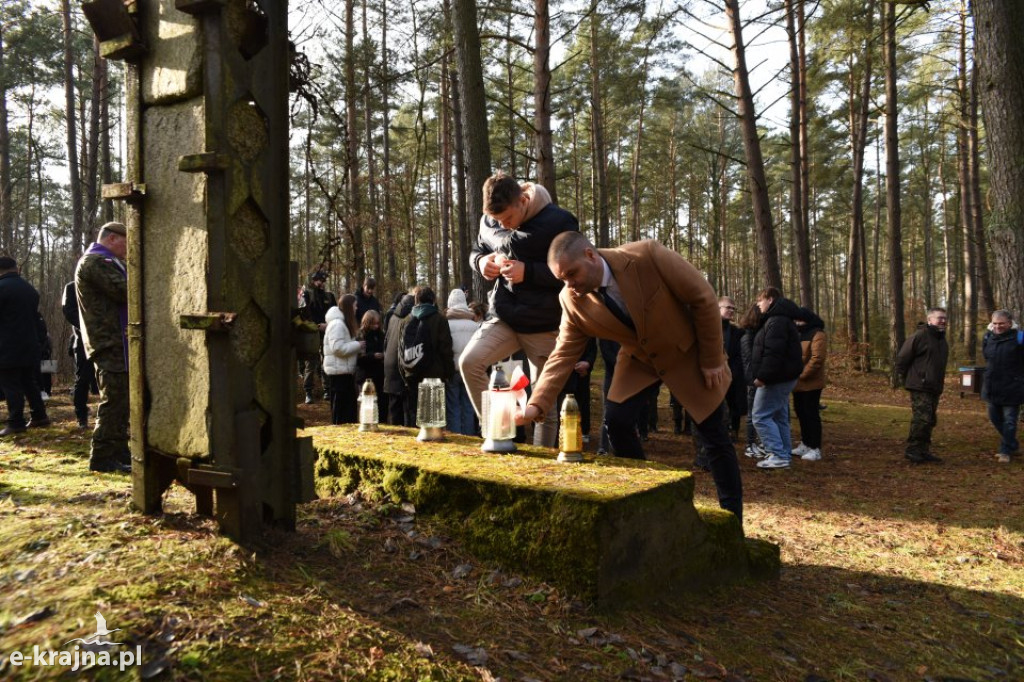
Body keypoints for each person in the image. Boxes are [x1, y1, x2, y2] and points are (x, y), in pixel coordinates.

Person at [519, 232, 744, 525]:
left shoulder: (646, 256)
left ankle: (732, 521)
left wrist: (713, 358)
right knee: (617, 423)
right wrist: (536, 406)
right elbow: (562, 354)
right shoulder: (571, 299)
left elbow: (702, 297)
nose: (569, 284)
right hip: (638, 359)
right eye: (562, 279)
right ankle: (651, 497)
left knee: (713, 436)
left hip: (686, 351)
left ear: (590, 255)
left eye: (571, 274)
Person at [460, 172, 579, 447]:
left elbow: (577, 271)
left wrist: (530, 272)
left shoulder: (560, 221)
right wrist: (480, 262)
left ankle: (542, 471)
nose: (503, 225)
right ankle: (497, 435)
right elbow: (478, 247)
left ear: (523, 200)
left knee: (544, 405)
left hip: (543, 323)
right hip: (504, 316)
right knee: (469, 362)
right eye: (498, 221)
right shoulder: (491, 220)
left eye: (508, 220)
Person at [75, 222, 130, 472]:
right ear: (111, 239)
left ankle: (119, 452)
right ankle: (102, 456)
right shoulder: (96, 261)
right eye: (125, 241)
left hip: (115, 339)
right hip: (108, 340)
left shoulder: (107, 261)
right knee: (114, 398)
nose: (129, 247)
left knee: (122, 398)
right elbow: (125, 291)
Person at [749, 287, 803, 470]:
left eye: (760, 300)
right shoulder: (780, 320)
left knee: (760, 415)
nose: (758, 304)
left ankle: (778, 455)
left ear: (770, 299)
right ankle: (784, 454)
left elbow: (774, 353)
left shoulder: (777, 321)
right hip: (783, 377)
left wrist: (763, 377)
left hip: (776, 378)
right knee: (779, 417)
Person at [0, 256, 50, 436]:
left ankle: (16, 422)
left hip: (6, 346)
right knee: (29, 382)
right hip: (30, 344)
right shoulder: (29, 289)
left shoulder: (2, 288)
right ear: (15, 269)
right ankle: (39, 416)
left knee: (11, 384)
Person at [894, 307, 949, 464]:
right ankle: (913, 450)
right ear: (930, 320)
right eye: (939, 318)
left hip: (935, 387)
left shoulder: (941, 339)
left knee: (930, 419)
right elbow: (902, 359)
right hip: (920, 385)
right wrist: (907, 379)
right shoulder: (920, 336)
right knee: (922, 419)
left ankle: (923, 451)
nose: (943, 321)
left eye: (945, 318)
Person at [398, 286, 455, 423]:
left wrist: (404, 374)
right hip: (434, 374)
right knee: (433, 418)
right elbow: (445, 349)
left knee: (414, 415)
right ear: (433, 300)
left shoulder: (405, 320)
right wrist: (448, 373)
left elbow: (400, 351)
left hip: (411, 373)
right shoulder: (439, 319)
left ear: (416, 300)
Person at [980, 310, 1024, 464]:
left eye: (1002, 323)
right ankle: (1013, 444)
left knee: (1010, 421)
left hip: (1013, 387)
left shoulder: (1020, 338)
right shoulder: (988, 337)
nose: (998, 326)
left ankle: (1005, 451)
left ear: (1010, 323)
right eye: (995, 323)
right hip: (992, 386)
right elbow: (986, 356)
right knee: (994, 418)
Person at [791, 307, 827, 461]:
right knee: (801, 413)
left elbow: (817, 359)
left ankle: (815, 447)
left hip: (811, 383)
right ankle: (805, 443)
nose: (797, 322)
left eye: (800, 319)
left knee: (811, 414)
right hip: (796, 383)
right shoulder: (797, 334)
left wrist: (802, 375)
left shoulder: (818, 334)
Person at [445, 288, 481, 436]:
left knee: (453, 406)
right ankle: (470, 437)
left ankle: (456, 438)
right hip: (469, 371)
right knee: (468, 406)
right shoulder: (475, 326)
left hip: (452, 370)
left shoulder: (446, 325)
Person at [323, 294, 364, 424]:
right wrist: (358, 345)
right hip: (339, 375)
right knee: (342, 412)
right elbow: (337, 348)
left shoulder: (341, 323)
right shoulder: (337, 324)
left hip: (344, 373)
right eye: (355, 305)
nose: (356, 308)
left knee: (348, 410)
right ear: (349, 307)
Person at [299, 270, 338, 404]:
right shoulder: (307, 295)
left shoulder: (329, 296)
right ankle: (308, 392)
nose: (321, 283)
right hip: (312, 333)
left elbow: (335, 313)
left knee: (326, 360)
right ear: (314, 281)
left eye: (323, 281)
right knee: (311, 363)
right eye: (319, 280)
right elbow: (303, 315)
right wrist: (316, 325)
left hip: (327, 332)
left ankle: (327, 390)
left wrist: (328, 325)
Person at [63, 281, 97, 428]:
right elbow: (68, 311)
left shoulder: (104, 282)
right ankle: (81, 418)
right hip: (84, 340)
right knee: (83, 379)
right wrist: (88, 327)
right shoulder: (71, 287)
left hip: (110, 338)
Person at [738, 303, 765, 458]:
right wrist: (754, 380)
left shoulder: (754, 336)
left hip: (756, 380)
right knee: (752, 415)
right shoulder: (748, 337)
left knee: (757, 413)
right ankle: (750, 444)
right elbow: (749, 363)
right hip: (753, 381)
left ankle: (758, 443)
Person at [383, 294, 415, 425]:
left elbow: (386, 342)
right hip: (402, 368)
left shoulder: (392, 318)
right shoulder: (410, 320)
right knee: (408, 411)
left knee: (394, 410)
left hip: (389, 366)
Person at [355, 309, 385, 400]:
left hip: (379, 374)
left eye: (377, 323)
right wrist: (373, 356)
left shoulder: (380, 334)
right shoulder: (361, 335)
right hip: (365, 375)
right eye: (373, 324)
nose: (376, 326)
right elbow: (359, 358)